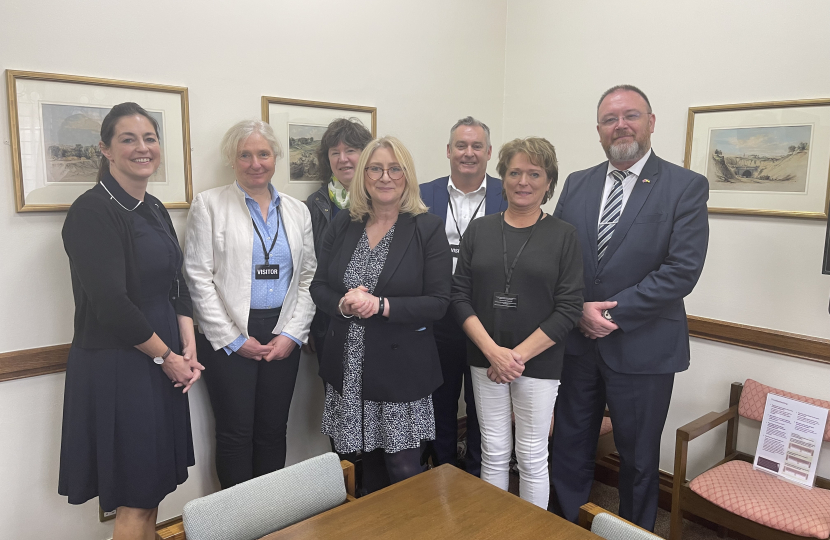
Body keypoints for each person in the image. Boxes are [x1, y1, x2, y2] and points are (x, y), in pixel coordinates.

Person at [549, 85, 709, 530]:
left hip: (644, 349)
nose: (620, 125)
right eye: (609, 119)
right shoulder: (578, 182)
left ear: (651, 122)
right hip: (578, 345)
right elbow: (557, 255)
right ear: (598, 130)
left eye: (630, 115)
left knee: (638, 460)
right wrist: (578, 307)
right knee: (569, 445)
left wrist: (611, 315)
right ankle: (565, 526)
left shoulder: (685, 186)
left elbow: (682, 271)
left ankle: (634, 534)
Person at [59, 102, 203, 539]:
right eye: (128, 139)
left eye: (149, 138)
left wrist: (188, 341)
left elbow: (175, 281)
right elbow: (111, 305)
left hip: (161, 359)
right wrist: (168, 359)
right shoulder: (92, 211)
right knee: (136, 495)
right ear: (104, 148)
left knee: (154, 488)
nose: (142, 148)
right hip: (121, 366)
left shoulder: (153, 206)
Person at [310, 136, 451, 493]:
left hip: (401, 372)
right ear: (363, 175)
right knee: (361, 465)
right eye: (375, 168)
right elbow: (319, 287)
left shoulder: (427, 229)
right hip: (349, 367)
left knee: (403, 468)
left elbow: (439, 302)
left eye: (394, 169)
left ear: (407, 175)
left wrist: (381, 305)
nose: (384, 177)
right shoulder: (344, 224)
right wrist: (342, 304)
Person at [451, 137, 584, 508]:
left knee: (531, 455)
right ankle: (496, 528)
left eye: (534, 173)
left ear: (548, 182)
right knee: (493, 451)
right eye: (514, 172)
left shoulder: (564, 236)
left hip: (538, 362)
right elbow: (459, 295)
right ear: (503, 178)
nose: (523, 181)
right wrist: (493, 353)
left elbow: (570, 306)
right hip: (485, 358)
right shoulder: (479, 230)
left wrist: (515, 358)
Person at [184, 120, 316, 489]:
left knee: (274, 430)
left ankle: (268, 517)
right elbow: (198, 276)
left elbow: (308, 277)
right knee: (234, 432)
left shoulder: (296, 210)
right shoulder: (209, 205)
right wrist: (231, 339)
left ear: (275, 157)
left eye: (263, 153)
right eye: (245, 154)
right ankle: (237, 523)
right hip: (229, 334)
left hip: (282, 332)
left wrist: (293, 333)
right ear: (233, 159)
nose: (255, 163)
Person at [419, 116, 507, 476]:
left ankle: (477, 475)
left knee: (483, 404)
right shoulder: (424, 194)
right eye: (460, 146)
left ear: (488, 152)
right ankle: (442, 472)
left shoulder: (509, 192)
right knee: (438, 401)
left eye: (476, 146)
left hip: (486, 319)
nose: (468, 153)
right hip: (436, 318)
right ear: (448, 151)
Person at [306, 118, 373, 363]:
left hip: (376, 318)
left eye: (351, 151)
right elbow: (310, 269)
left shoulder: (385, 200)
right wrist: (310, 326)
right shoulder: (316, 204)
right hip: (331, 318)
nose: (343, 159)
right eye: (335, 152)